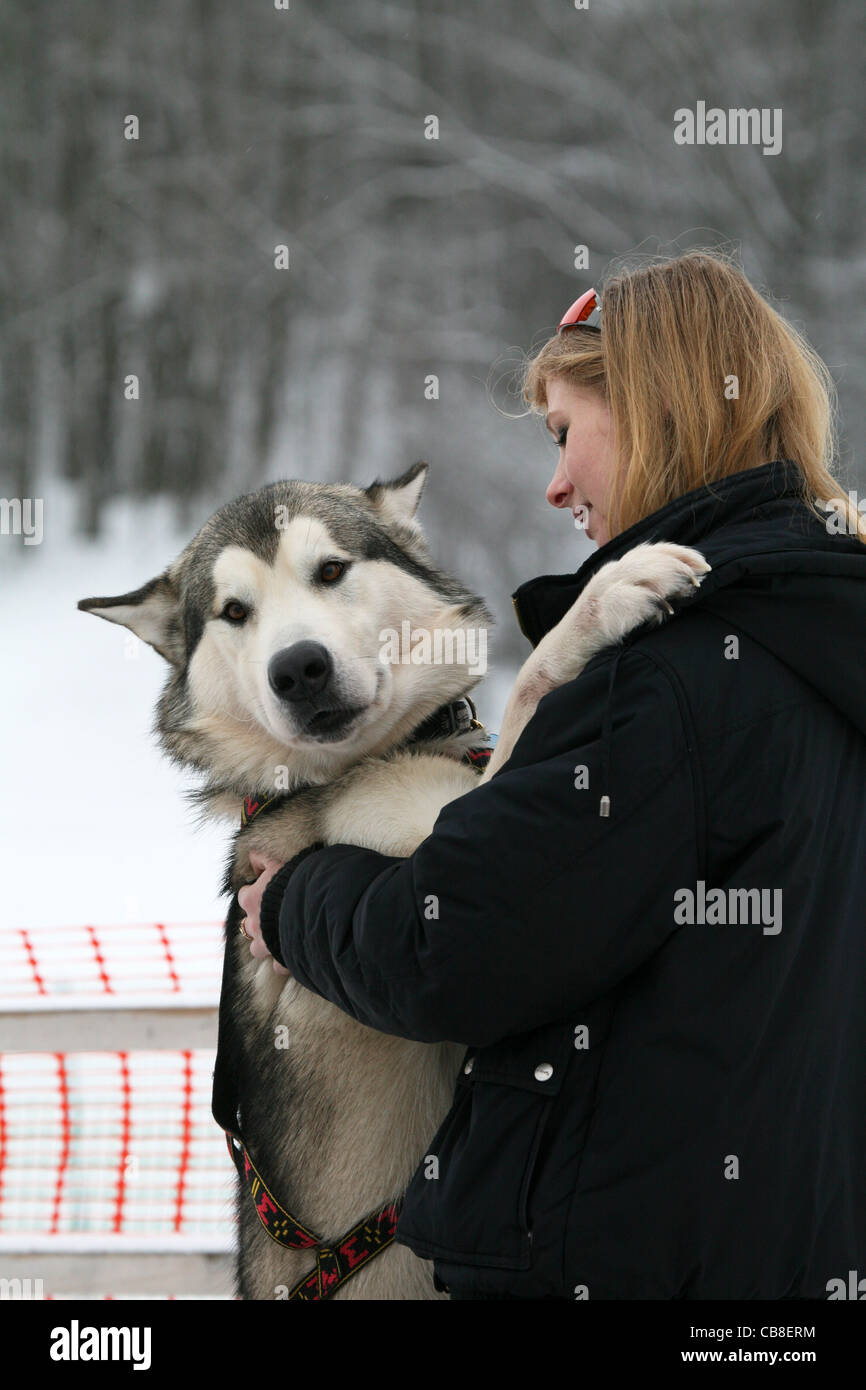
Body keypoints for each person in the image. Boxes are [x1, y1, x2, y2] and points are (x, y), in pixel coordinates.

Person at [238, 251, 866, 1300]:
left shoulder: (668, 682)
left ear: (663, 409)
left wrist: (294, 897)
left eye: (566, 433)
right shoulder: (819, 641)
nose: (554, 482)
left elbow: (450, 942)